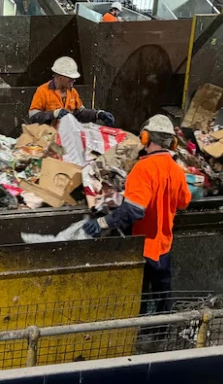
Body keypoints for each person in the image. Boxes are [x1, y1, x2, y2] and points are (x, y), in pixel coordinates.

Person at [82, 114, 192, 314]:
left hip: (142, 247)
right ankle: (161, 336)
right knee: (162, 297)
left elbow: (134, 209)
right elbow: (184, 203)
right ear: (173, 143)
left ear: (145, 138)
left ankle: (136, 338)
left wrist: (103, 223)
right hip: (164, 246)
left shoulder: (143, 169)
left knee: (137, 298)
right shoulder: (177, 171)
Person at [28, 56, 115, 126]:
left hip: (67, 139)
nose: (73, 81)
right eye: (71, 79)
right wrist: (53, 114)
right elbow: (34, 117)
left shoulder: (72, 92)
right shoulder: (43, 91)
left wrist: (98, 114)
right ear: (61, 78)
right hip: (47, 139)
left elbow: (81, 113)